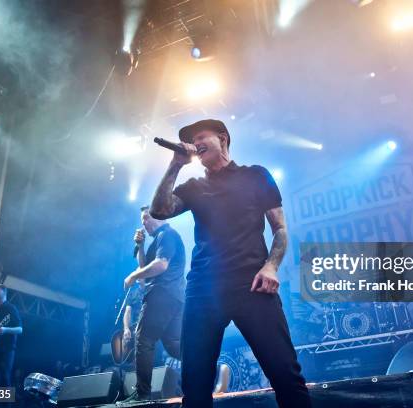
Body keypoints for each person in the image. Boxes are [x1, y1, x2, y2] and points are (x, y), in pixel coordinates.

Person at [149, 119, 311, 408]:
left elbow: (280, 229)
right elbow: (159, 210)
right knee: (195, 386)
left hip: (253, 285)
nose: (195, 143)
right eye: (191, 140)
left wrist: (271, 266)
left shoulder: (257, 175)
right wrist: (176, 164)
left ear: (222, 138)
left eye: (201, 136)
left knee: (286, 375)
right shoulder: (193, 186)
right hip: (203, 290)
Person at [119, 206, 186, 403]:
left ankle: (142, 395)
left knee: (144, 340)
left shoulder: (167, 234)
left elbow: (160, 265)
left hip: (162, 293)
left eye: (146, 219)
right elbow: (144, 268)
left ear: (158, 216)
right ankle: (212, 367)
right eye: (142, 220)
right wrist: (140, 246)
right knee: (174, 346)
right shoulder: (158, 239)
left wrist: (132, 275)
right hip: (174, 298)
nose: (144, 224)